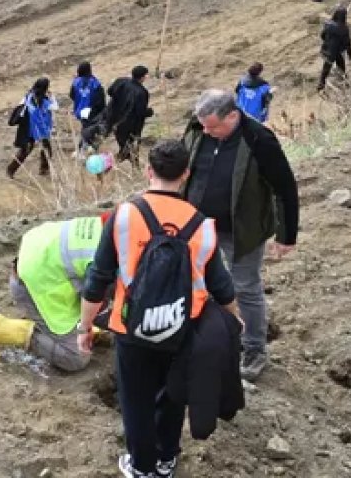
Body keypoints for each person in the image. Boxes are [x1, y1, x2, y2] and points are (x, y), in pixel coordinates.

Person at [77, 140, 241, 478]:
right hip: (183, 327)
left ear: (149, 171)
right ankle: (167, 460)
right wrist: (235, 322)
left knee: (135, 400)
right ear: (185, 174)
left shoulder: (124, 216)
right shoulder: (202, 225)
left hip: (130, 328)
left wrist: (85, 328)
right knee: (172, 396)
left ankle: (141, 467)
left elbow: (98, 278)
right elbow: (221, 287)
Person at [182, 90, 300, 380]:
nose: (207, 132)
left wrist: (287, 235)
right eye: (204, 127)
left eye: (213, 127)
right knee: (194, 282)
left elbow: (284, 188)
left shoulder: (259, 140)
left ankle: (254, 350)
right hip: (197, 226)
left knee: (245, 288)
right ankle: (201, 340)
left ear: (233, 115)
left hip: (243, 228)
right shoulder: (199, 130)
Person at [0, 216, 106, 372]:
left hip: (44, 256)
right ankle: (8, 329)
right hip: (36, 285)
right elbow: (94, 296)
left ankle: (73, 330)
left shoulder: (122, 224)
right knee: (76, 358)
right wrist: (87, 327)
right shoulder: (105, 262)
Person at [7, 78, 56, 178]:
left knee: (24, 151)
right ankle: (44, 169)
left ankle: (11, 170)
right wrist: (52, 97)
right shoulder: (45, 102)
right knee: (47, 149)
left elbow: (20, 107)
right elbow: (55, 107)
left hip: (29, 130)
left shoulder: (28, 97)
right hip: (42, 130)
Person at [105, 66, 154, 165]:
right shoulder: (142, 92)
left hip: (113, 120)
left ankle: (133, 168)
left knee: (127, 149)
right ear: (142, 77)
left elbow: (110, 91)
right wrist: (149, 112)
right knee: (129, 150)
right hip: (130, 126)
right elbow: (140, 112)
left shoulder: (121, 81)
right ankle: (105, 165)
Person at [69, 61, 106, 151]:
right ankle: (84, 148)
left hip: (80, 110)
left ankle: (85, 147)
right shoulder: (95, 83)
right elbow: (100, 100)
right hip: (91, 111)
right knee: (91, 129)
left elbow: (71, 95)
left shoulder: (76, 82)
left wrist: (79, 102)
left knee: (85, 126)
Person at [317, 6, 351, 92]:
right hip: (337, 51)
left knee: (326, 68)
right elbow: (347, 42)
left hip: (328, 49)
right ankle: (343, 81)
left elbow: (322, 35)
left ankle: (321, 85)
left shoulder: (328, 24)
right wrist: (350, 53)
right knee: (341, 66)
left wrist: (327, 42)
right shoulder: (344, 29)